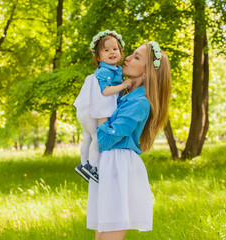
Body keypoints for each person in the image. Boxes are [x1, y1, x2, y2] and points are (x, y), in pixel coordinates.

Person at [87, 41, 171, 240]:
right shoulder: (124, 95)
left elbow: (107, 139)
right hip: (108, 164)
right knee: (100, 235)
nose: (127, 58)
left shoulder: (140, 102)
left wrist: (100, 112)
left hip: (119, 167)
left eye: (136, 57)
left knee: (110, 235)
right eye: (131, 54)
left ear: (147, 72)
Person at [73, 30, 133, 183]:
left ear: (121, 51)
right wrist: (123, 85)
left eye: (115, 49)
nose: (112, 52)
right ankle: (93, 167)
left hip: (88, 109)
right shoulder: (105, 70)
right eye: (106, 50)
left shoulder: (115, 69)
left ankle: (83, 163)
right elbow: (105, 91)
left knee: (87, 137)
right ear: (98, 57)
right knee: (97, 138)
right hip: (94, 110)